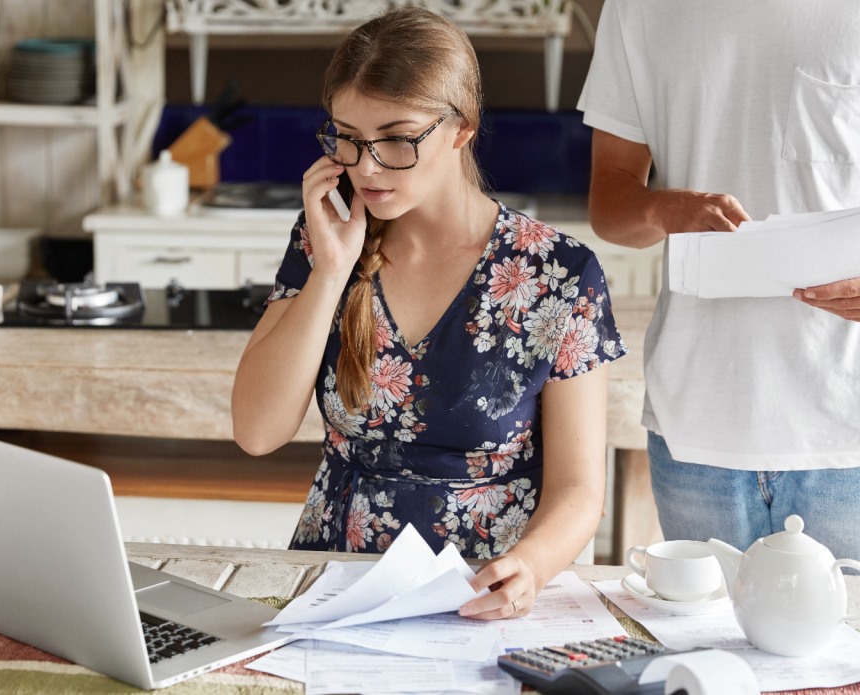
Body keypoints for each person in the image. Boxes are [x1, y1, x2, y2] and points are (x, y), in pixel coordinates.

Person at [232, 6, 627, 620]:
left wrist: (533, 565)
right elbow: (258, 432)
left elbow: (579, 489)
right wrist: (331, 271)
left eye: (395, 138)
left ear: (461, 128)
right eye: (348, 138)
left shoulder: (560, 275)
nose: (366, 166)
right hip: (338, 587)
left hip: (482, 594)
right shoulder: (324, 241)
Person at [578, 1, 860, 559]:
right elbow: (609, 201)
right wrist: (661, 209)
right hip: (696, 422)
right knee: (703, 642)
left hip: (846, 426)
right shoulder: (638, 8)